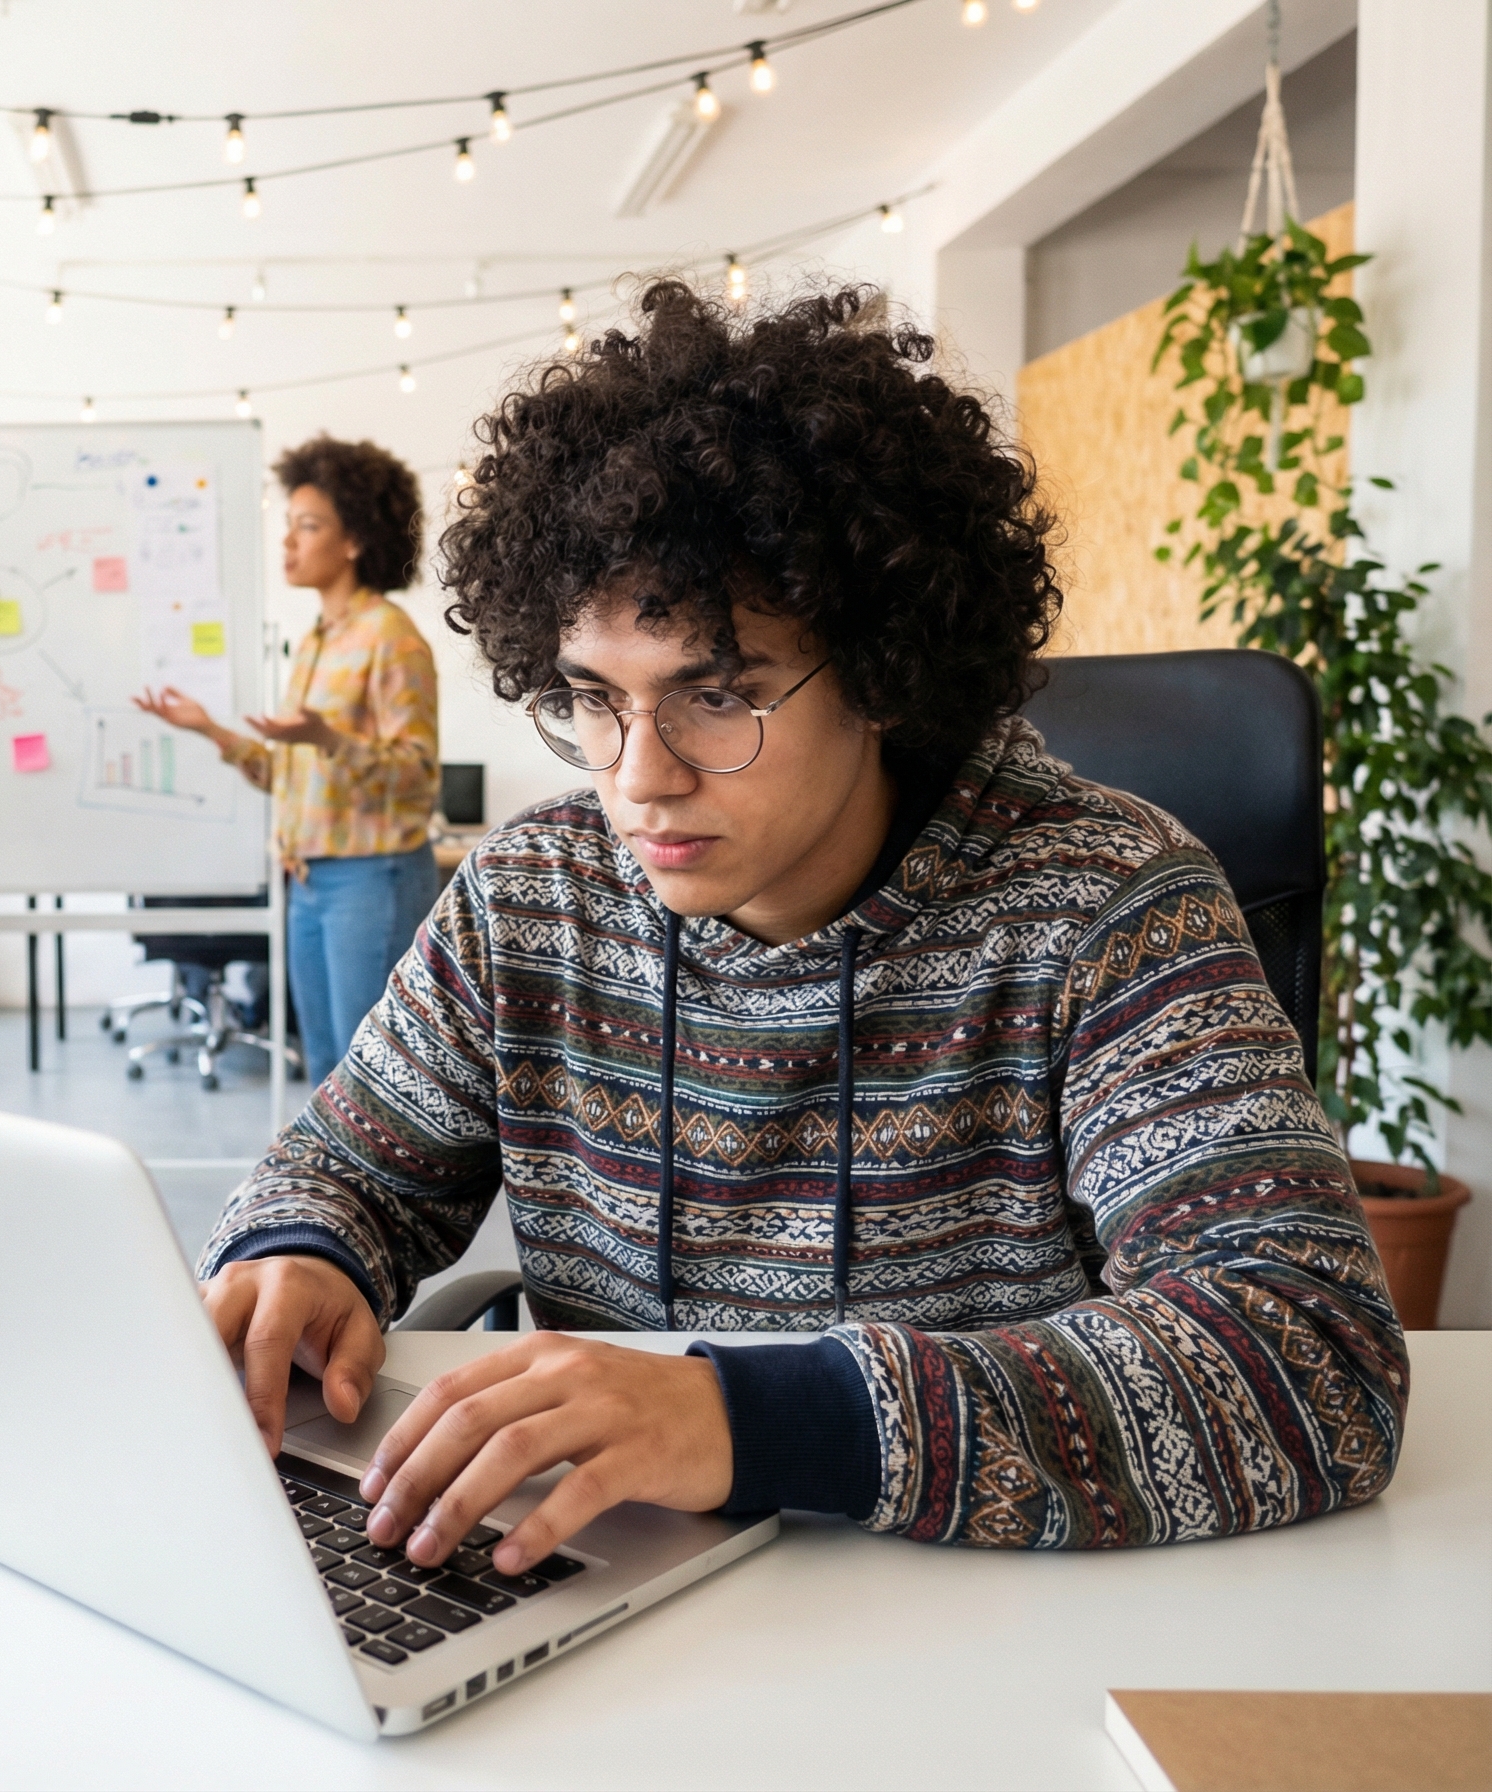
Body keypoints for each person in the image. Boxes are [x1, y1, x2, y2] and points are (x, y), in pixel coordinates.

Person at [198, 283, 1407, 1569]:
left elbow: (1310, 1350)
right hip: (608, 1587)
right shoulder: (532, 896)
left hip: (982, 1614)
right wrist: (301, 1252)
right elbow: (346, 1165)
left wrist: (758, 1416)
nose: (637, 777)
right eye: (594, 700)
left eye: (718, 696)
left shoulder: (1107, 901)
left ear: (885, 671)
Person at [135, 435, 438, 1079]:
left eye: (309, 527)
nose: (288, 543)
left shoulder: (391, 637)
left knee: (373, 1073)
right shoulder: (314, 643)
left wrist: (327, 739)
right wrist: (210, 730)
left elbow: (417, 774)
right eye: (289, 526)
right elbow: (289, 773)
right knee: (326, 1067)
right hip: (308, 879)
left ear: (354, 541)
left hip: (370, 875)